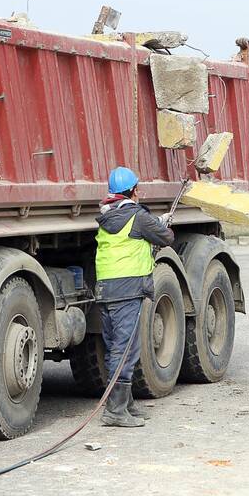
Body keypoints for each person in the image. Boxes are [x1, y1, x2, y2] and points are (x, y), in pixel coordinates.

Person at [95, 166, 174, 427]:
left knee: (115, 347)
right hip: (128, 289)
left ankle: (125, 405)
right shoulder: (137, 217)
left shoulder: (106, 218)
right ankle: (115, 412)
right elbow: (166, 237)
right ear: (133, 191)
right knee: (126, 349)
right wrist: (161, 223)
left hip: (106, 289)